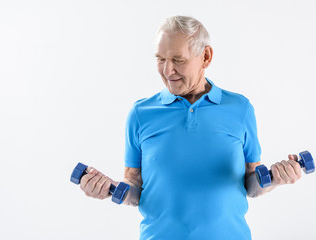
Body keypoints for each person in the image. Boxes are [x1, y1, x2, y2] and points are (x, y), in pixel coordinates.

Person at [79, 15, 302, 239]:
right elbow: (134, 185)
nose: (167, 71)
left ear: (205, 57)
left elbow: (252, 181)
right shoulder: (140, 113)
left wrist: (275, 178)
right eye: (160, 59)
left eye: (178, 60)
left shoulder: (240, 109)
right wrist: (109, 188)